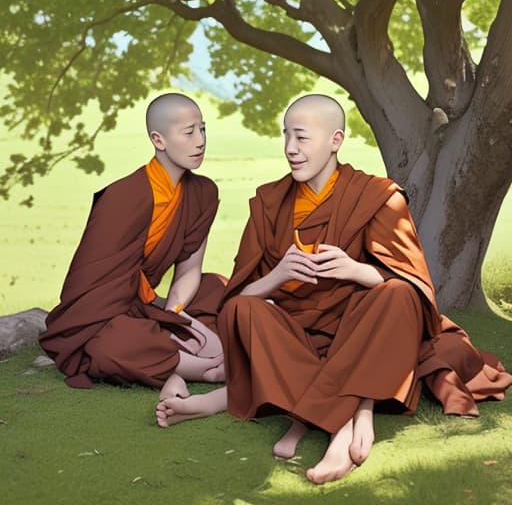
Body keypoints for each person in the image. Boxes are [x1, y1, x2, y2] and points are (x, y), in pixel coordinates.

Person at [155, 94, 512, 485]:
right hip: (297, 337)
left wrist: (356, 270)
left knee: (397, 296)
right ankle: (349, 416)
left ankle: (313, 416)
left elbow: (414, 284)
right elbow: (236, 301)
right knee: (244, 312)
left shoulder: (377, 196)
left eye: (302, 138)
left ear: (335, 140)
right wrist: (278, 275)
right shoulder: (269, 202)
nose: (290, 149)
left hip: (359, 333)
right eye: (286, 136)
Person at [40, 93, 226, 399]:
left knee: (215, 288)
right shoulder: (124, 195)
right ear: (159, 139)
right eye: (189, 132)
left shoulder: (203, 192)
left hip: (150, 308)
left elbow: (190, 269)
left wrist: (174, 315)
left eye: (203, 129)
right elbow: (87, 288)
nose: (200, 141)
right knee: (106, 345)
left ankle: (177, 359)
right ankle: (205, 368)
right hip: (111, 312)